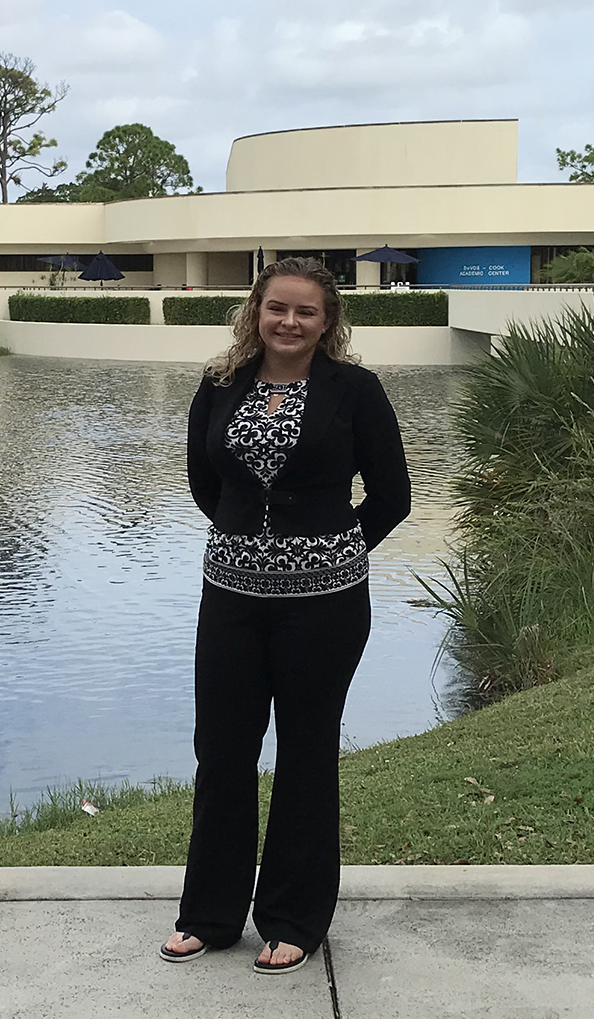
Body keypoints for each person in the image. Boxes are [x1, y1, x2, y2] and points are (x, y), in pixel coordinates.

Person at [160, 256, 411, 973]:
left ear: (327, 320)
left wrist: (327, 550)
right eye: (277, 308)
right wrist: (250, 543)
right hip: (231, 598)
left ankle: (293, 918)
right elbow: (204, 483)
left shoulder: (354, 390)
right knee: (223, 751)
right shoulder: (220, 384)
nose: (289, 322)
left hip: (324, 607)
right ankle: (209, 917)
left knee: (305, 754)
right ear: (255, 311)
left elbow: (392, 497)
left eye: (305, 311)